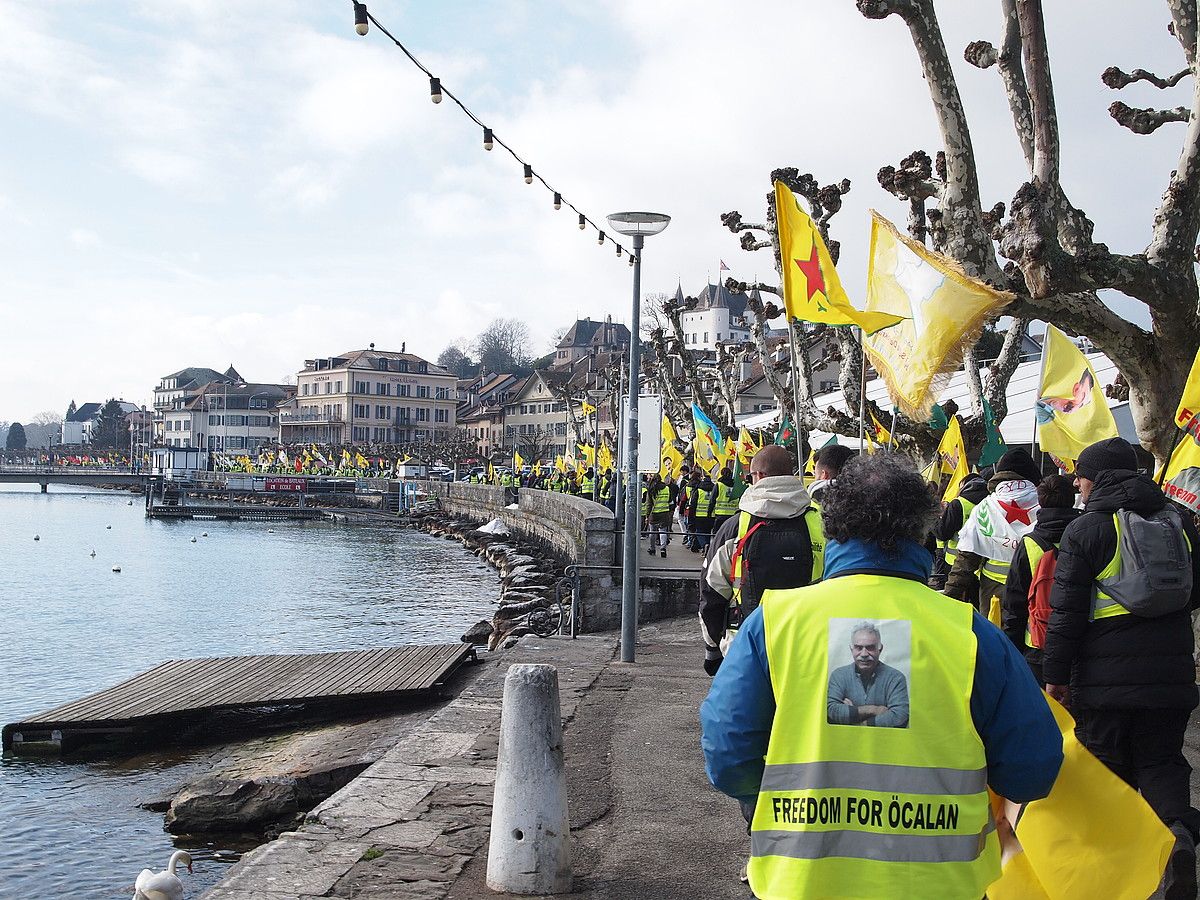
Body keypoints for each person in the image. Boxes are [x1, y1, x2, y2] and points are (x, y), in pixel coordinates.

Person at [701, 454, 1062, 900]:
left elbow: (727, 747)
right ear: (922, 530)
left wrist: (767, 802)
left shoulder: (775, 623)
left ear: (832, 527)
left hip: (800, 878)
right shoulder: (971, 635)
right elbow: (1032, 768)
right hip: (939, 884)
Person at [1042, 437, 1200, 899]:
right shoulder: (1182, 524)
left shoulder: (1086, 531)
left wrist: (1055, 676)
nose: (1076, 481)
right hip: (1171, 679)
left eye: (1082, 474)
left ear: (1101, 477)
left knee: (1105, 772)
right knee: (1162, 762)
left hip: (1102, 683)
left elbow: (1065, 614)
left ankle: (1115, 874)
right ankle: (1177, 840)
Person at [699, 445, 823, 674]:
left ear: (759, 476)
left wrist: (712, 649)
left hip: (744, 649)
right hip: (806, 648)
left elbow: (711, 592)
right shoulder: (819, 524)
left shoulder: (735, 528)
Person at [944, 448, 1043, 623]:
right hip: (1036, 590)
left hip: (994, 593)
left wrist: (949, 597)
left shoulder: (984, 508)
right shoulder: (1046, 504)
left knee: (996, 643)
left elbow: (966, 558)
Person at [1000, 474, 1080, 686]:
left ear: (1040, 501)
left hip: (1037, 646)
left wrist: (1012, 650)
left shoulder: (1029, 543)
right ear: (1073, 499)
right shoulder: (1086, 537)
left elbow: (1014, 604)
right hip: (1080, 644)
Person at [826, 621, 909, 727]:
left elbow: (900, 716)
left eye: (870, 647)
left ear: (880, 649)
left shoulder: (896, 678)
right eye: (858, 648)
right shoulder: (838, 676)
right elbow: (831, 711)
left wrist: (855, 719)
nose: (864, 654)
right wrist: (873, 710)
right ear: (852, 649)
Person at [931, 471, 989, 592]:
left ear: (965, 485)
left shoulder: (958, 504)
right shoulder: (990, 503)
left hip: (955, 564)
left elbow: (942, 533)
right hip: (982, 565)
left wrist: (936, 518)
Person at [643, 472, 674, 558]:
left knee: (652, 532)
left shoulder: (651, 489)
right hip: (664, 513)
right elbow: (671, 501)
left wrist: (647, 515)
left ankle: (652, 548)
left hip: (654, 514)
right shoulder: (667, 488)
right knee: (663, 531)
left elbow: (649, 504)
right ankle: (663, 548)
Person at [690, 469, 716, 553]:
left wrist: (692, 514)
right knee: (708, 532)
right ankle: (707, 547)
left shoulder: (699, 490)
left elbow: (693, 504)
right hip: (711, 515)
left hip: (699, 515)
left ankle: (704, 545)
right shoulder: (714, 489)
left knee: (699, 532)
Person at [710, 465, 741, 534]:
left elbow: (712, 500)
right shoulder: (736, 485)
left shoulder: (719, 485)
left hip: (720, 514)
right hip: (733, 514)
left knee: (717, 533)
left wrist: (709, 512)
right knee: (730, 533)